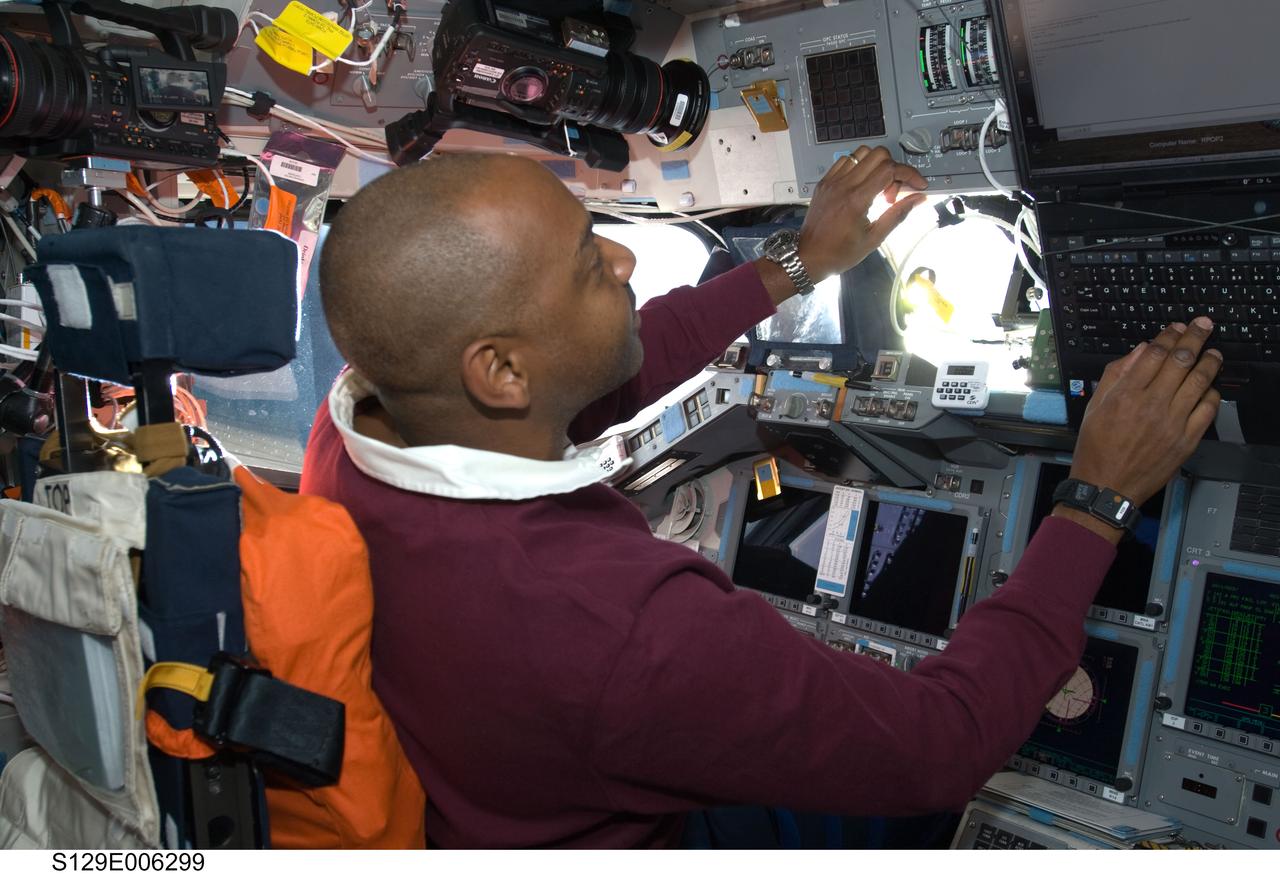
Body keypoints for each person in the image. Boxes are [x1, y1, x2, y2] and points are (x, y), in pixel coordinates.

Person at [301, 146, 1222, 848]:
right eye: (588, 263)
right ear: (499, 370)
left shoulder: (360, 426)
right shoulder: (620, 630)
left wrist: (797, 263)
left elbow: (596, 371)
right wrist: (1097, 499)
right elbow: (942, 744)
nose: (624, 261)